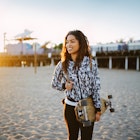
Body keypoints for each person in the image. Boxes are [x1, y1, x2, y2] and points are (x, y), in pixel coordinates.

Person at [51, 30, 101, 140]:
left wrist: (97, 109)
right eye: (67, 42)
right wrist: (65, 86)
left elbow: (96, 87)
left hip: (87, 108)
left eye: (72, 41)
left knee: (86, 138)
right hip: (69, 108)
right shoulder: (63, 64)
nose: (69, 45)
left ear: (80, 43)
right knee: (72, 137)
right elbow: (54, 83)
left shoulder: (91, 63)